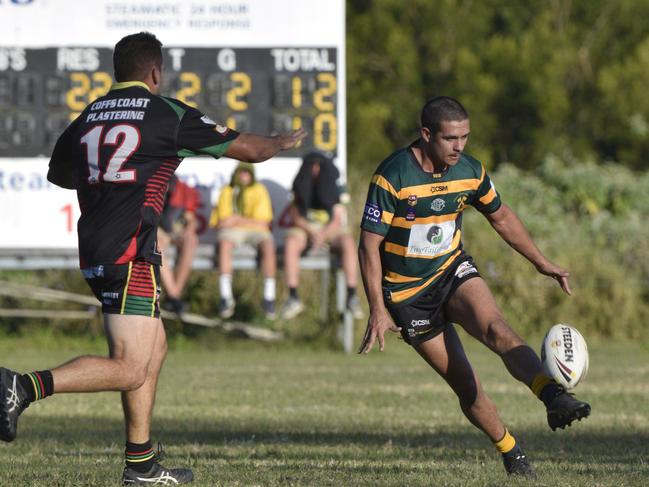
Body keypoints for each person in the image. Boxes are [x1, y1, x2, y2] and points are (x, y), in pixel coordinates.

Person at [0, 32, 305, 485]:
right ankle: (21, 386)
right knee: (131, 366)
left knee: (154, 349)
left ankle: (141, 465)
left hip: (99, 248)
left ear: (116, 71)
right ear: (156, 73)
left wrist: (105, 183)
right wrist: (281, 141)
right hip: (131, 254)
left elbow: (57, 171)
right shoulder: (166, 114)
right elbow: (250, 150)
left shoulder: (90, 113)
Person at [358, 96, 590, 477]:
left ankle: (554, 397)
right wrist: (378, 309)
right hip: (408, 297)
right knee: (467, 386)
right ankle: (511, 451)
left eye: (465, 137)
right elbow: (368, 244)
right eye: (451, 138)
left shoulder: (469, 170)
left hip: (451, 270)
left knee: (497, 329)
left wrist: (541, 262)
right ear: (426, 134)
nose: (459, 146)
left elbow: (502, 218)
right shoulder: (393, 175)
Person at [280, 151, 362, 320]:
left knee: (348, 243)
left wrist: (322, 235)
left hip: (330, 228)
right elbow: (296, 216)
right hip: (306, 228)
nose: (316, 169)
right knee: (291, 243)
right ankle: (293, 296)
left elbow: (338, 219)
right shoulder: (299, 183)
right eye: (312, 164)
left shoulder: (337, 185)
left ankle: (352, 295)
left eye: (319, 165)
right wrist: (312, 232)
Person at [211, 162, 277, 320]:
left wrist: (236, 219)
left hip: (256, 232)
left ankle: (269, 296)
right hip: (233, 233)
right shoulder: (227, 190)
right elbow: (222, 222)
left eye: (247, 173)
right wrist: (246, 221)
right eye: (241, 173)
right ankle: (226, 296)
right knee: (224, 244)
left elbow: (264, 223)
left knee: (268, 245)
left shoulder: (259, 190)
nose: (243, 176)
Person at [158, 175, 201, 316]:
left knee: (191, 240)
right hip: (158, 231)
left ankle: (174, 295)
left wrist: (188, 229)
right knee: (155, 244)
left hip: (175, 231)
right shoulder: (150, 187)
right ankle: (175, 296)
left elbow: (191, 220)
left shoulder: (184, 190)